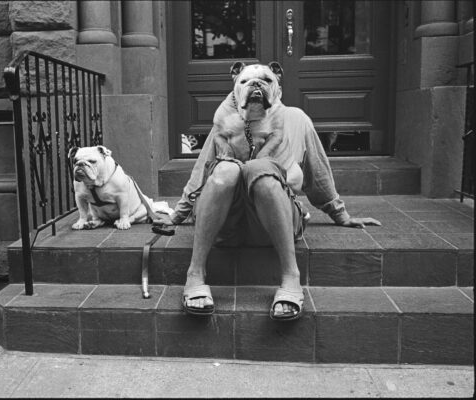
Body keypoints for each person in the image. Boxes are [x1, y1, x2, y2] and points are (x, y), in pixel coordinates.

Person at [153, 61, 381, 320]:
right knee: (225, 170)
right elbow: (202, 172)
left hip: (273, 222)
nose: (256, 86)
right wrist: (177, 215)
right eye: (247, 82)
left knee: (262, 170)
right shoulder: (227, 121)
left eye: (266, 80)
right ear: (235, 89)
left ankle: (290, 276)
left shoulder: (295, 119)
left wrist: (340, 214)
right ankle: (195, 272)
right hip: (226, 224)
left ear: (278, 87)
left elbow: (317, 173)